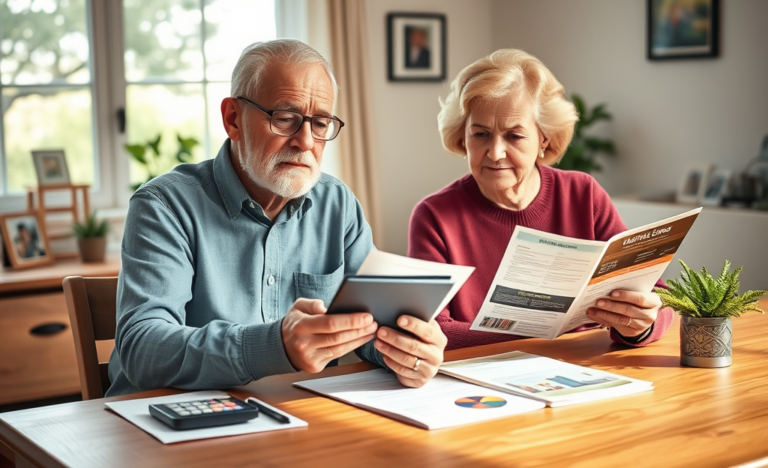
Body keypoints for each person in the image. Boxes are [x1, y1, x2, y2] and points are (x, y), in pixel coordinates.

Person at [107, 39, 446, 397]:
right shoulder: (164, 205)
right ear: (233, 119)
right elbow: (142, 349)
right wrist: (274, 345)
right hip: (167, 415)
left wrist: (408, 350)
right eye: (285, 119)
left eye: (320, 123)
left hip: (297, 412)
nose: (305, 142)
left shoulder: (337, 204)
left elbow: (371, 326)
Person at [408, 49, 674, 350]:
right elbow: (431, 332)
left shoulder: (583, 194)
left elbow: (658, 296)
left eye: (514, 136)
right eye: (480, 135)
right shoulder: (434, 216)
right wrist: (542, 330)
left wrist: (639, 324)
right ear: (462, 136)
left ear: (543, 139)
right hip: (484, 371)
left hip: (583, 364)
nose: (495, 153)